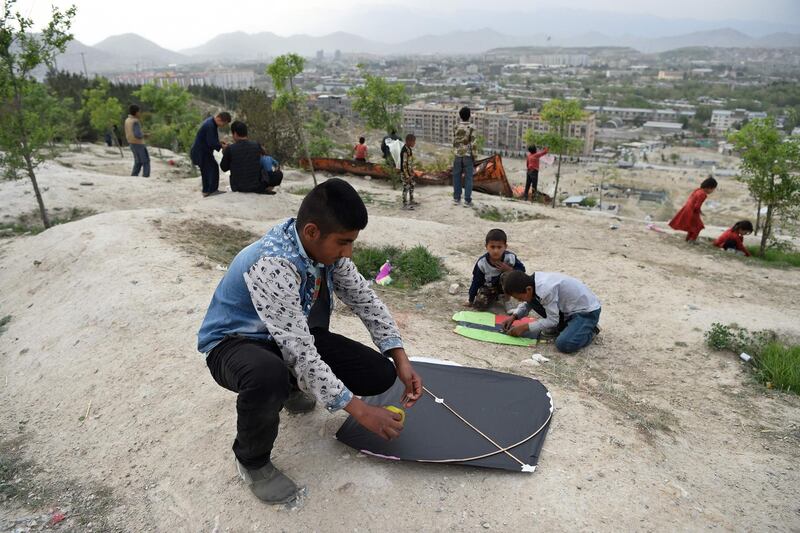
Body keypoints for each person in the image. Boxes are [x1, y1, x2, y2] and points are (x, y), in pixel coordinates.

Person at [197, 178, 422, 504]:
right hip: (234, 343)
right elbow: (300, 353)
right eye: (343, 243)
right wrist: (360, 411)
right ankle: (252, 461)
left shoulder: (328, 253)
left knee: (380, 373)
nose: (348, 252)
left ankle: (290, 387)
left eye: (351, 243)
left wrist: (401, 359)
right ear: (312, 232)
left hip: (287, 336)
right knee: (266, 375)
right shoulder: (272, 264)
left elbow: (366, 301)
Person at [499, 270, 601, 354]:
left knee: (564, 344)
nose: (519, 301)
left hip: (586, 312)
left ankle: (590, 331)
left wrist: (525, 327)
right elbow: (528, 303)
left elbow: (552, 320)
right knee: (532, 301)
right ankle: (568, 326)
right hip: (567, 310)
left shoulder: (545, 290)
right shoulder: (532, 284)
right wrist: (514, 316)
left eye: (519, 298)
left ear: (528, 289)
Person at [468, 228, 525, 311]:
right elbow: (476, 281)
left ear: (505, 247)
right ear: (486, 247)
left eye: (499, 247)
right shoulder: (482, 263)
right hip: (489, 288)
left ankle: (507, 300)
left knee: (507, 275)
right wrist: (471, 299)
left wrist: (509, 269)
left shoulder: (510, 258)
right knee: (479, 306)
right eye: (492, 247)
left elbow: (522, 272)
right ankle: (495, 297)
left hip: (505, 287)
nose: (496, 251)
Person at [220, 121, 275, 195]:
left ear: (235, 134)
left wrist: (226, 154)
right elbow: (265, 160)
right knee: (278, 174)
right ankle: (268, 189)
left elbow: (224, 168)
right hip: (256, 186)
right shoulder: (256, 145)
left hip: (237, 187)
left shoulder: (230, 149)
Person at [191, 111, 232, 197]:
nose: (222, 126)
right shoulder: (210, 126)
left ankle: (206, 191)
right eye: (223, 124)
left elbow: (210, 139)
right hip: (202, 152)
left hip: (200, 151)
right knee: (213, 167)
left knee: (205, 171)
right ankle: (212, 190)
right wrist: (222, 146)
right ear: (219, 119)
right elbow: (211, 143)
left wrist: (219, 142)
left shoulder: (210, 123)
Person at [669, 177, 717, 242]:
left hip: (687, 209)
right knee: (699, 227)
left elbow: (693, 202)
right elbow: (697, 206)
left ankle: (688, 240)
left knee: (693, 227)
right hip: (692, 211)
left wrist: (699, 211)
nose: (712, 191)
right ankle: (691, 240)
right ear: (709, 187)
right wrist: (698, 212)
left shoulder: (698, 190)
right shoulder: (703, 194)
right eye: (713, 189)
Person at [452, 106, 477, 208]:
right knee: (468, 178)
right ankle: (467, 200)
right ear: (469, 116)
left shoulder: (456, 126)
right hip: (467, 155)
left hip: (457, 155)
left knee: (456, 177)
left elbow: (454, 141)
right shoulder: (472, 127)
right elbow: (473, 143)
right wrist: (474, 156)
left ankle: (457, 198)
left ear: (460, 116)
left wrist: (456, 151)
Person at [124, 104, 150, 178]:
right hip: (138, 143)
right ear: (136, 112)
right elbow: (137, 134)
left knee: (138, 161)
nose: (140, 113)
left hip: (131, 143)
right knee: (145, 161)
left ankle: (134, 175)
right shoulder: (135, 121)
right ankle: (146, 176)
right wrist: (145, 135)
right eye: (139, 112)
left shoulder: (127, 120)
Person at [400, 133, 418, 210]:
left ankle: (411, 200)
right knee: (406, 187)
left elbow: (409, 162)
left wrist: (412, 172)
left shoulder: (409, 149)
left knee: (412, 185)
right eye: (413, 142)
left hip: (409, 173)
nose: (414, 143)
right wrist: (407, 176)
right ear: (408, 141)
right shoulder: (404, 151)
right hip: (405, 174)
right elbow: (404, 165)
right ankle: (405, 203)